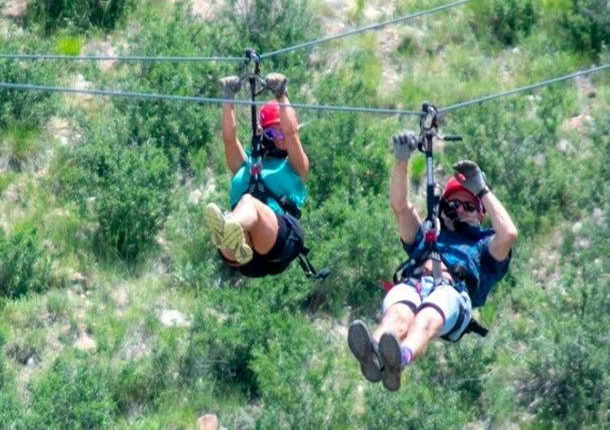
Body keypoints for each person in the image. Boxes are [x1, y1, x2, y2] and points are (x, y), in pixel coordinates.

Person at [348, 133, 516, 391]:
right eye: (454, 204)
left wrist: (481, 190)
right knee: (397, 315)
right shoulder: (428, 233)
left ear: (479, 214)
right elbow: (400, 207)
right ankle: (374, 352)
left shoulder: (483, 244)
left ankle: (401, 358)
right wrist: (401, 160)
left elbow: (509, 234)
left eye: (469, 206)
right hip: (414, 283)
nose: (460, 209)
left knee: (426, 318)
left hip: (452, 294)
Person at [203, 73, 308, 278]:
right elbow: (229, 139)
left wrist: (281, 95)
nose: (280, 141)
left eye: (282, 135)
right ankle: (232, 233)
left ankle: (230, 226)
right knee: (237, 221)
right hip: (246, 258)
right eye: (273, 134)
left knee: (247, 201)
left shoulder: (296, 166)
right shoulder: (244, 165)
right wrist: (228, 98)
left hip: (281, 239)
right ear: (261, 132)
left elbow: (291, 133)